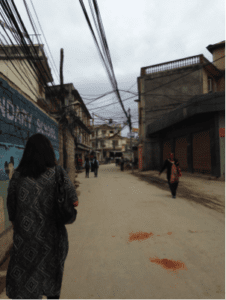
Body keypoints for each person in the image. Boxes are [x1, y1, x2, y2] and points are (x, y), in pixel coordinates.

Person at [6, 133, 78, 300]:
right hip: (53, 240)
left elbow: (11, 210)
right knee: (52, 281)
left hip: (25, 242)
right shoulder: (58, 173)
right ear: (49, 151)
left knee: (27, 285)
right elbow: (74, 201)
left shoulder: (17, 176)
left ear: (27, 152)